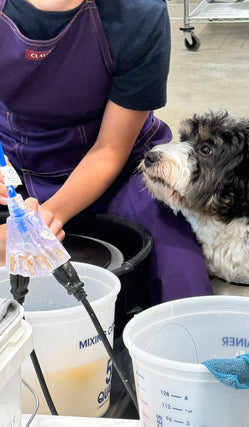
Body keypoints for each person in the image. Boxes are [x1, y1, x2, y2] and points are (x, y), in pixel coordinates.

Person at [0, 0, 213, 304]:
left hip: (121, 171)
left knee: (182, 277)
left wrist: (43, 222)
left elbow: (109, 151)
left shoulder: (139, 14)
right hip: (13, 168)